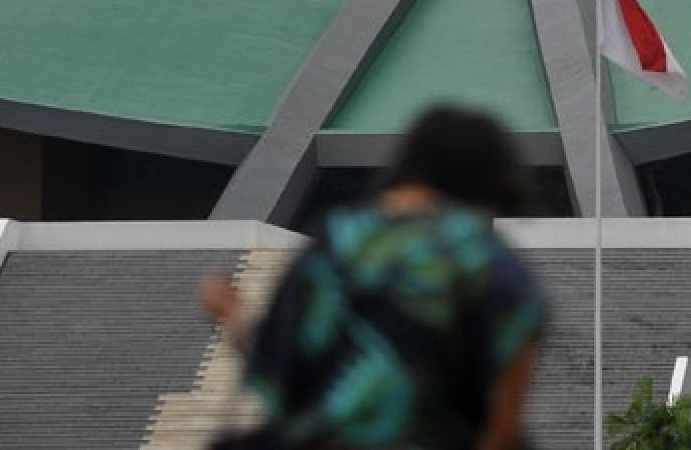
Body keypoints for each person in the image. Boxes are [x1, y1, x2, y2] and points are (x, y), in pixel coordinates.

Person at [201, 105, 546, 450]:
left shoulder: (336, 238)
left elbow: (280, 369)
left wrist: (232, 312)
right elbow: (505, 426)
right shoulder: (486, 258)